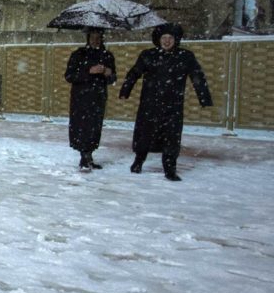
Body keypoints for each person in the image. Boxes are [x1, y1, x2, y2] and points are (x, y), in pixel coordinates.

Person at [119, 23, 213, 181]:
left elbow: (197, 77)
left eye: (170, 38)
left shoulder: (185, 56)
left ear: (176, 40)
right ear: (158, 39)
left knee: (172, 137)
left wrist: (204, 98)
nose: (167, 41)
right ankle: (138, 161)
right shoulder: (148, 55)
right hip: (150, 103)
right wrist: (125, 91)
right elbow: (134, 73)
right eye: (164, 38)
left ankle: (170, 169)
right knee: (144, 135)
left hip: (173, 104)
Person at [64, 28, 116, 171]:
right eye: (92, 37)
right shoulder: (78, 54)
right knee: (81, 127)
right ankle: (84, 157)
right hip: (81, 97)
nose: (95, 40)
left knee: (95, 127)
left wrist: (107, 73)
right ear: (88, 38)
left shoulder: (107, 56)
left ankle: (89, 155)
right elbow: (69, 76)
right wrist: (89, 71)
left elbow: (113, 79)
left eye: (98, 37)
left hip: (98, 97)